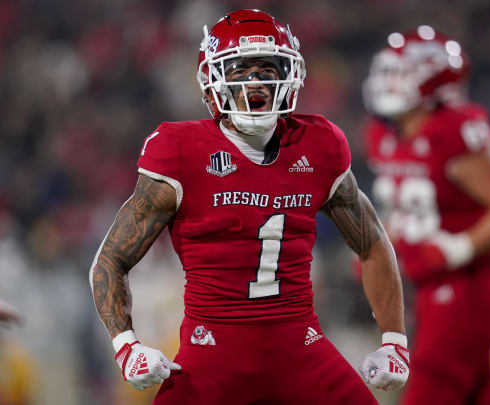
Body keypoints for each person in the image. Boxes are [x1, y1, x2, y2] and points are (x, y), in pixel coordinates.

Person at [89, 9, 409, 404]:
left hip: (301, 346)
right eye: (240, 69)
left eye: (267, 68)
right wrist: (126, 346)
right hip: (212, 352)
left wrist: (394, 340)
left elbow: (372, 243)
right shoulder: (178, 150)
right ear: (212, 79)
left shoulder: (319, 145)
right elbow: (110, 261)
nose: (255, 82)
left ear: (291, 74)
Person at [363, 26, 490, 405]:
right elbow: (405, 208)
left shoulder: (453, 129)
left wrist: (457, 248)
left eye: (399, 73)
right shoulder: (385, 134)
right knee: (480, 395)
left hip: (468, 288)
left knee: (429, 391)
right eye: (387, 72)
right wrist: (379, 252)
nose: (387, 82)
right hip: (429, 289)